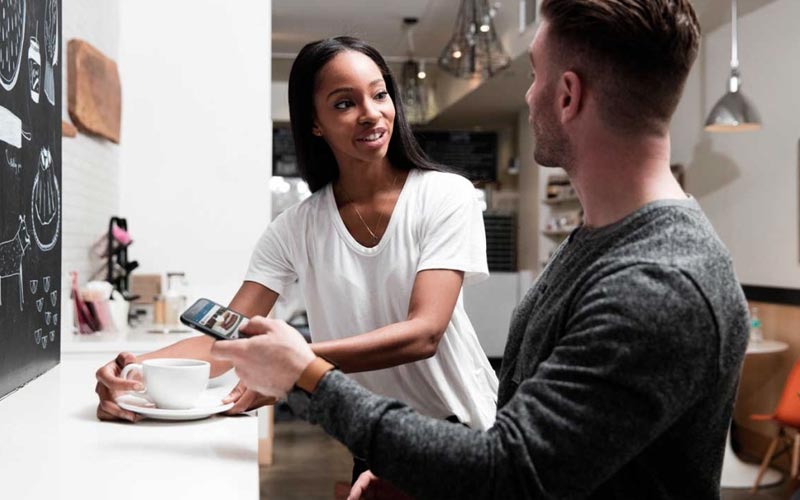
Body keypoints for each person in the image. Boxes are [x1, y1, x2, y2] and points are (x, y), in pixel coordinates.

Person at [211, 1, 750, 498]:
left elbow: (510, 473)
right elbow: (535, 443)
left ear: (567, 95)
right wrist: (420, 464)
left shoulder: (658, 283)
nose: (526, 93)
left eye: (534, 74)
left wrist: (306, 373)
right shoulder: (598, 241)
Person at [94, 36, 499, 474]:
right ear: (314, 123)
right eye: (344, 103)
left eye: (379, 94)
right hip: (372, 438)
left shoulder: (445, 195)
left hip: (464, 436)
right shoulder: (295, 228)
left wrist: (295, 364)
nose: (370, 113)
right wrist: (131, 368)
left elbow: (424, 333)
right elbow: (226, 338)